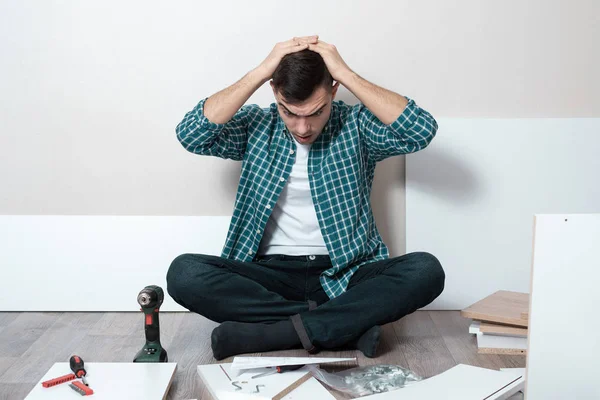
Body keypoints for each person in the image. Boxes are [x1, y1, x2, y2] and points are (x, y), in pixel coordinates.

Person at [167, 35, 445, 360]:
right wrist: (260, 72)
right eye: (289, 112)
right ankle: (342, 325)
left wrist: (346, 73)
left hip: (345, 273)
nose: (302, 127)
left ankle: (277, 331)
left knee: (426, 270)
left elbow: (420, 130)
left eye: (315, 112)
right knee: (184, 273)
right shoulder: (257, 124)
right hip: (271, 273)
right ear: (275, 92)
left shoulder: (356, 125)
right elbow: (191, 134)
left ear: (333, 92)